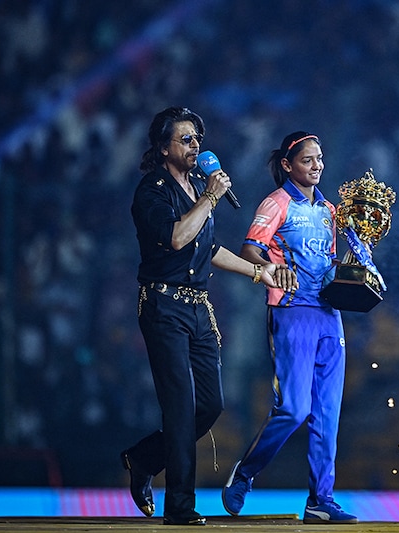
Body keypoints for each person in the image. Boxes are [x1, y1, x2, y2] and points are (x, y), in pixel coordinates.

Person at [120, 106, 282, 526]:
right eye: (185, 139)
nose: (195, 146)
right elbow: (177, 237)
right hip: (163, 306)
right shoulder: (152, 191)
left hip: (198, 308)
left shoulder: (196, 187)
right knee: (179, 406)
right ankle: (180, 507)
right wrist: (210, 197)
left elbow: (207, 248)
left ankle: (143, 458)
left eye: (197, 139)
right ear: (162, 147)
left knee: (209, 405)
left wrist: (258, 271)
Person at [222, 132, 358, 524]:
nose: (317, 166)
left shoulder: (332, 211)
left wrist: (355, 261)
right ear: (287, 164)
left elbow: (332, 261)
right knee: (295, 409)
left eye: (320, 159)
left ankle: (320, 500)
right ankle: (245, 473)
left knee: (327, 414)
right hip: (292, 311)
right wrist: (267, 268)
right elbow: (250, 249)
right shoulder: (277, 203)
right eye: (308, 160)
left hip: (329, 315)